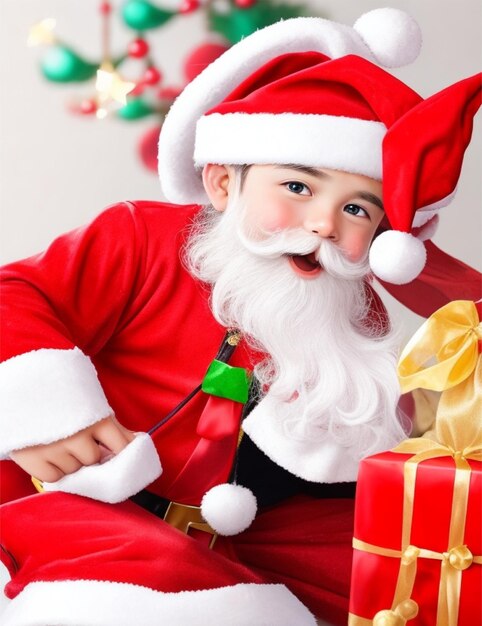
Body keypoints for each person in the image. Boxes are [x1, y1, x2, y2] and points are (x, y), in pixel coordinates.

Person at [0, 9, 480, 626]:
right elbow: (15, 296)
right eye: (299, 189)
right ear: (224, 183)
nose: (324, 226)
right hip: (96, 502)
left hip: (258, 534)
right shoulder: (144, 236)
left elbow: (346, 476)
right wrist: (50, 418)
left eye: (359, 209)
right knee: (142, 585)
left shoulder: (349, 309)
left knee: (411, 596)